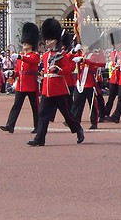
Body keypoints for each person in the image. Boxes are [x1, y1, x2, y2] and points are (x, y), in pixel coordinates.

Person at [27, 18, 84, 146]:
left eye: (49, 40)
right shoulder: (46, 55)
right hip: (47, 89)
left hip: (58, 89)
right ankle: (39, 139)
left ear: (55, 40)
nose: (46, 42)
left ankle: (78, 129)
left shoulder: (61, 54)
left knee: (67, 115)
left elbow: (69, 69)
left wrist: (59, 70)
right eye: (46, 39)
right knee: (43, 114)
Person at [0, 22, 40, 134]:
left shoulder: (35, 55)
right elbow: (18, 71)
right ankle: (10, 125)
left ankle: (38, 126)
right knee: (16, 106)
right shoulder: (21, 57)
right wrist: (11, 73)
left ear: (32, 44)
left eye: (27, 42)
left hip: (31, 84)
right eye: (24, 42)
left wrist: (20, 57)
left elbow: (31, 61)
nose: (25, 44)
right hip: (21, 85)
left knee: (35, 107)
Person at [71, 24, 106, 130]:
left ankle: (94, 122)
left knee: (92, 104)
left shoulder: (96, 52)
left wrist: (84, 60)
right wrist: (73, 51)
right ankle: (75, 120)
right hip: (80, 81)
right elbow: (69, 59)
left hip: (90, 81)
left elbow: (102, 63)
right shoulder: (80, 51)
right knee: (77, 102)